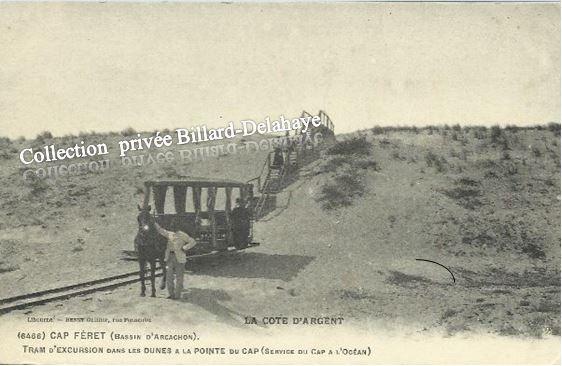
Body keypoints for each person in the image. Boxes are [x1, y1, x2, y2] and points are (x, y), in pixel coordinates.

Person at [154, 219, 197, 299]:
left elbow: (193, 241)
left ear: (178, 226)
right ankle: (171, 294)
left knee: (179, 278)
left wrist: (185, 248)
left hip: (180, 258)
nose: (173, 227)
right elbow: (160, 230)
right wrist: (153, 222)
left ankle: (177, 295)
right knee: (169, 277)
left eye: (174, 225)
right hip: (169, 257)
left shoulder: (183, 235)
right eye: (172, 225)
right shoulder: (169, 234)